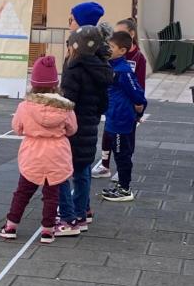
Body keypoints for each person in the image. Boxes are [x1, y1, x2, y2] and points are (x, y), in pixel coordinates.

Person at [0, 56, 77, 244]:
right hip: (57, 154)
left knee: (23, 192)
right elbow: (72, 129)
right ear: (55, 84)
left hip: (32, 154)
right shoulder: (65, 107)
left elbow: (17, 128)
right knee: (52, 195)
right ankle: (48, 231)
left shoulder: (25, 106)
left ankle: (11, 226)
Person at [57, 26, 114, 235]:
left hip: (72, 126)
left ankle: (67, 217)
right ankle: (82, 214)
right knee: (83, 171)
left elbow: (68, 101)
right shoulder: (102, 67)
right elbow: (104, 103)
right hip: (90, 125)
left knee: (62, 171)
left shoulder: (74, 68)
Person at [92, 18, 146, 180]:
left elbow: (137, 88)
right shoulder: (112, 61)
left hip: (123, 113)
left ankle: (123, 182)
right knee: (110, 138)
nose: (109, 46)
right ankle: (106, 166)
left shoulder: (129, 63)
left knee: (123, 146)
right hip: (113, 111)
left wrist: (140, 105)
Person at [102, 31, 147, 202]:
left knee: (122, 154)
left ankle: (125, 189)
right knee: (117, 151)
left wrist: (139, 110)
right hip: (114, 117)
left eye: (111, 47)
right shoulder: (111, 66)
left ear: (122, 50)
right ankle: (121, 185)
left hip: (122, 119)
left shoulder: (123, 70)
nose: (108, 49)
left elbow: (137, 93)